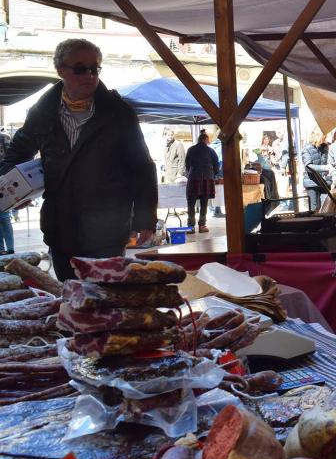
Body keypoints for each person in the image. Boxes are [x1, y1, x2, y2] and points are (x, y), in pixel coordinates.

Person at [0, 38, 156, 280]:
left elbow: (142, 167)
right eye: (80, 68)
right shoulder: (42, 112)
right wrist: (13, 191)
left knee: (105, 298)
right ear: (61, 70)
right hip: (61, 226)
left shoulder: (118, 112)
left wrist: (146, 218)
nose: (90, 75)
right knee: (70, 296)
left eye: (94, 69)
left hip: (108, 226)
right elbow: (17, 154)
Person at [184, 130, 219, 233]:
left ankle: (191, 227)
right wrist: (213, 174)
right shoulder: (211, 151)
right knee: (204, 202)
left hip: (194, 177)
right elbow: (216, 167)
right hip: (207, 179)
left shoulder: (191, 149)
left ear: (199, 140)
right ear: (206, 140)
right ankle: (202, 226)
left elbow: (187, 165)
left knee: (191, 202)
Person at [300, 129, 330, 211]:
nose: (325, 139)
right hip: (311, 182)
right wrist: (325, 168)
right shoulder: (307, 148)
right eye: (324, 137)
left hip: (324, 182)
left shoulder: (325, 147)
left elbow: (329, 161)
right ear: (318, 136)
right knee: (313, 208)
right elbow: (308, 167)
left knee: (325, 207)